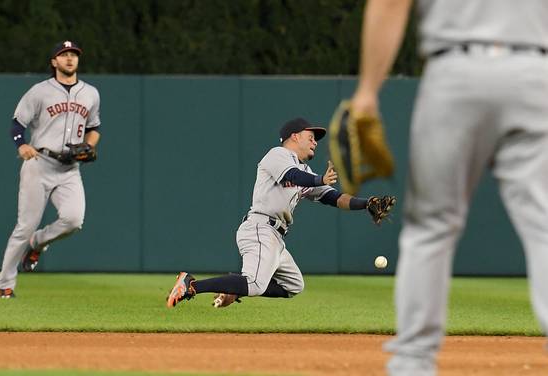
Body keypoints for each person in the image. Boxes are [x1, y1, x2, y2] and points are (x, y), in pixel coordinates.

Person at [348, 0, 548, 374]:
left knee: (431, 227)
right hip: (534, 71)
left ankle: (412, 364)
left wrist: (368, 91)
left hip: (456, 72)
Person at [166, 118, 393, 308]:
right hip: (260, 227)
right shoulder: (277, 155)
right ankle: (191, 284)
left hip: (276, 236)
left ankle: (234, 288)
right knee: (254, 284)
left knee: (293, 285)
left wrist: (367, 203)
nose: (315, 141)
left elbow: (332, 197)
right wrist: (320, 179)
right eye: (311, 136)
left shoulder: (306, 170)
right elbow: (291, 176)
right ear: (294, 136)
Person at [0, 40, 101, 298]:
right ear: (54, 61)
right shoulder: (39, 91)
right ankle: (4, 284)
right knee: (25, 226)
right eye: (64, 54)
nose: (69, 58)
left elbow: (93, 128)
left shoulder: (91, 93)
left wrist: (89, 146)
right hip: (39, 164)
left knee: (74, 220)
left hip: (69, 169)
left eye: (74, 54)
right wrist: (21, 146)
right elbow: (17, 124)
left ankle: (38, 243)